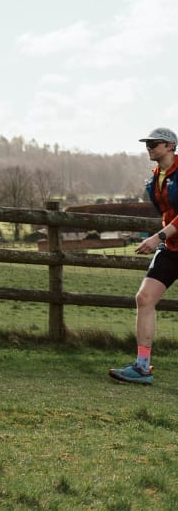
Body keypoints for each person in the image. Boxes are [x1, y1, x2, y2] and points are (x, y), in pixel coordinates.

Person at [110, 127, 178, 385]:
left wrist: (157, 237)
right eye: (147, 144)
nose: (149, 147)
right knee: (144, 298)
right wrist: (163, 237)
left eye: (154, 143)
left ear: (170, 145)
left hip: (165, 240)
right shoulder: (155, 179)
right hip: (171, 247)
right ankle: (141, 367)